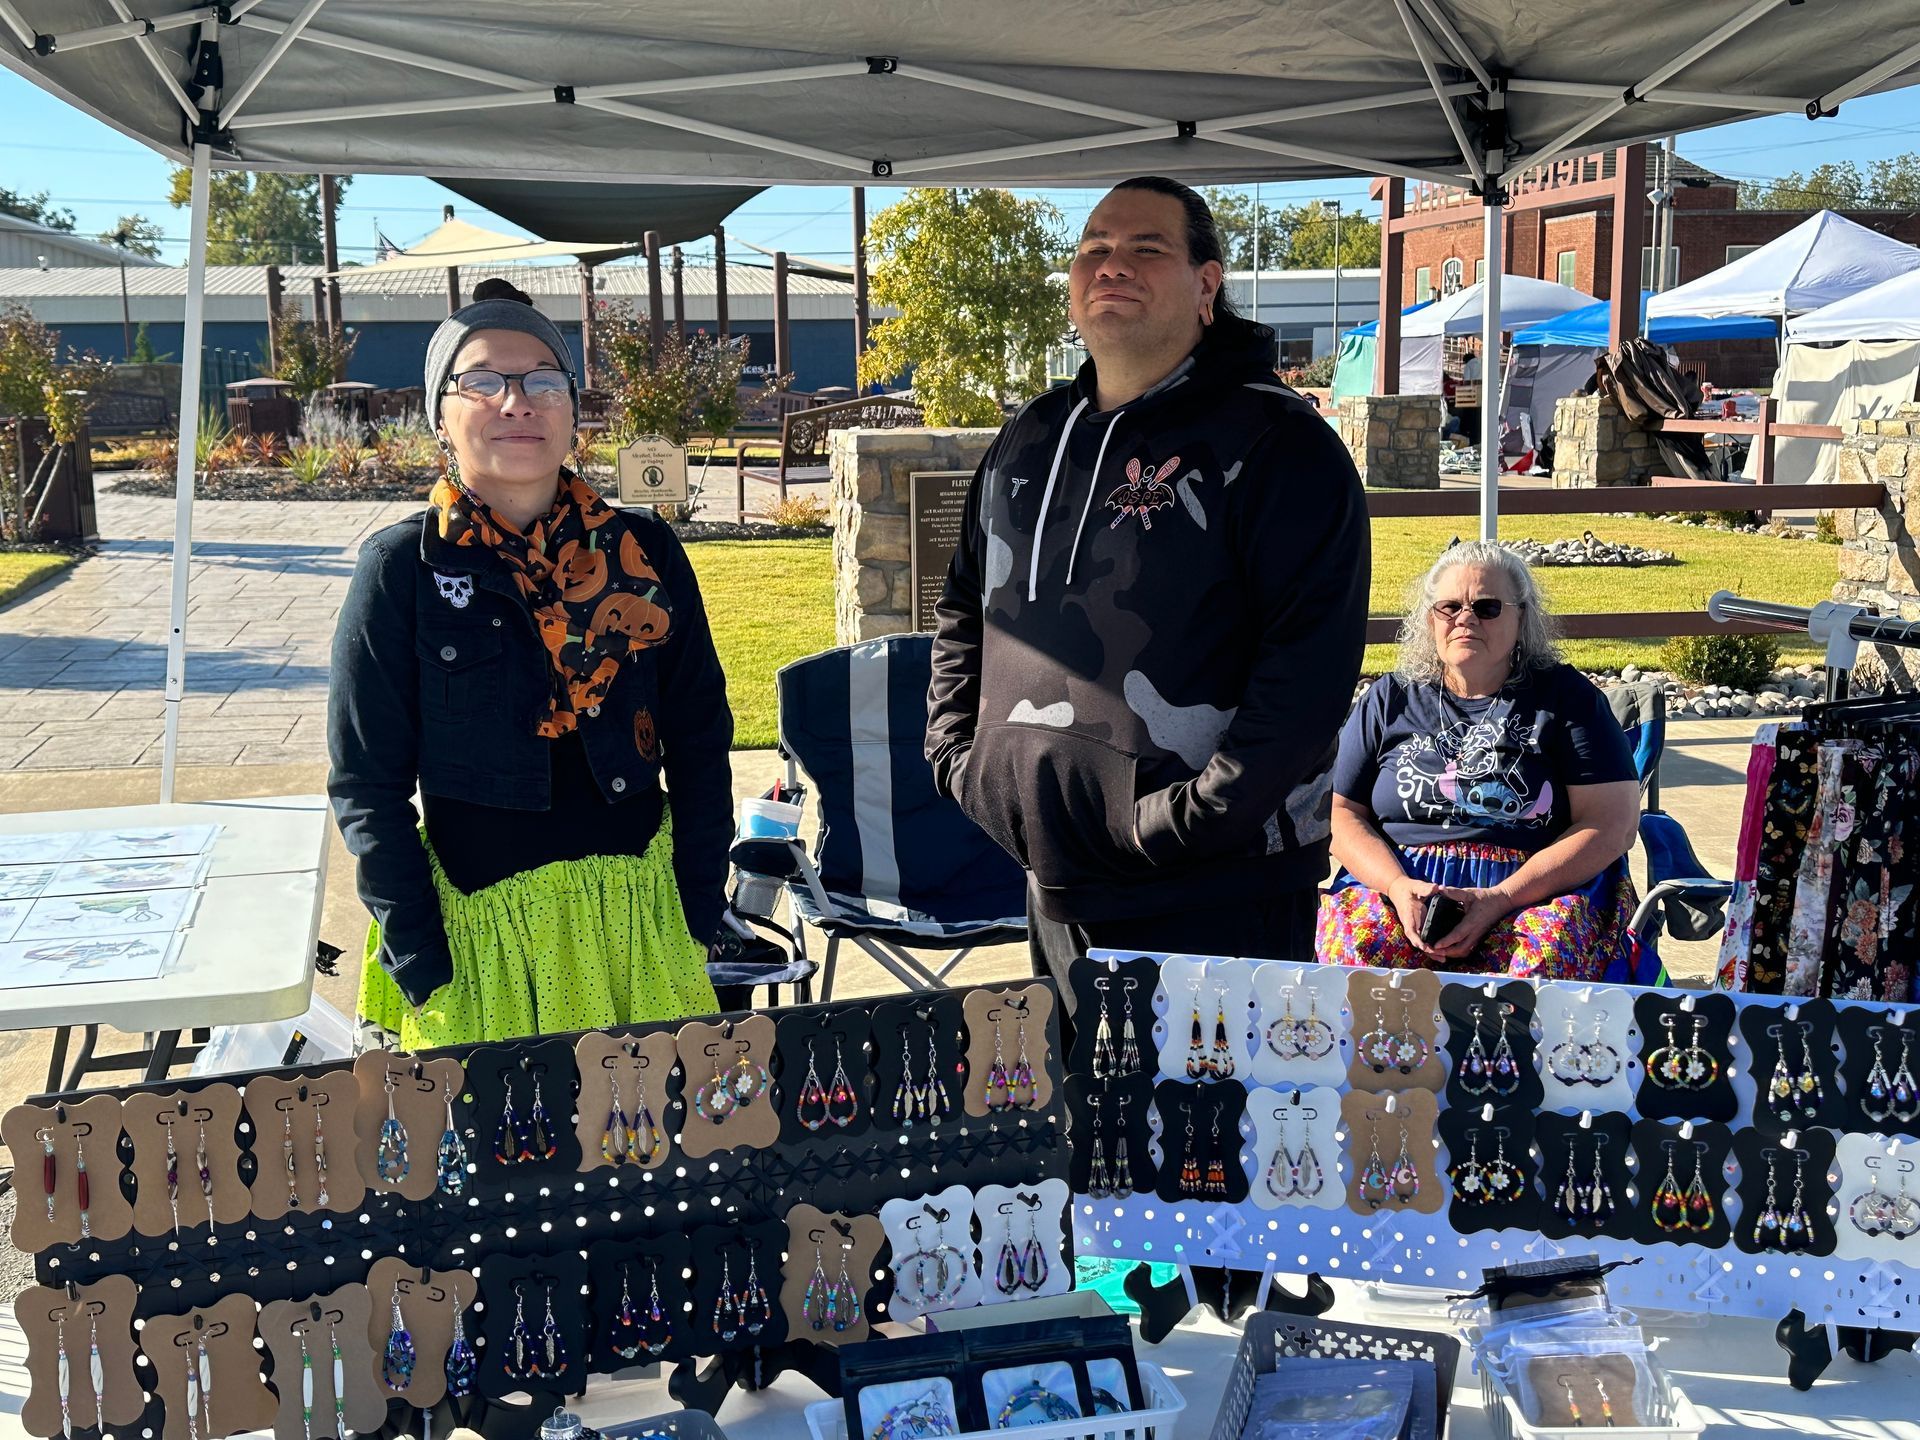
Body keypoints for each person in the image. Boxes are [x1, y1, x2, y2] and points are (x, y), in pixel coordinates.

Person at [926, 177, 1369, 999]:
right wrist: (961, 759)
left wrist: (1184, 820)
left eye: (1147, 248)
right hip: (1054, 882)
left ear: (1207, 284)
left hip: (1219, 892)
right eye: (1094, 247)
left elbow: (1308, 674)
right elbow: (963, 606)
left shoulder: (1278, 443)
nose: (1112, 265)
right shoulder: (1030, 434)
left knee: (1215, 1094)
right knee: (1077, 1090)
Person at [329, 278, 732, 1047]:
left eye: (544, 381)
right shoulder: (402, 569)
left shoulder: (645, 553)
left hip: (640, 927)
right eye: (481, 382)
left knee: (650, 1122)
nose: (517, 403)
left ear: (573, 410)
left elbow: (701, 737)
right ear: (440, 416)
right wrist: (421, 954)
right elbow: (365, 783)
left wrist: (696, 907)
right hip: (482, 945)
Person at [1318, 541, 1646, 980]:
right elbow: (1340, 813)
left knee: (1541, 965)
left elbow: (1612, 824)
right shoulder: (1389, 698)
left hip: (1531, 890)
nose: (1465, 619)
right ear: (1429, 619)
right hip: (1403, 889)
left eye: (1487, 607)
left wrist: (1501, 898)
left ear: (1521, 619)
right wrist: (1397, 886)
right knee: (1357, 956)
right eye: (1449, 607)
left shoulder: (1568, 699)